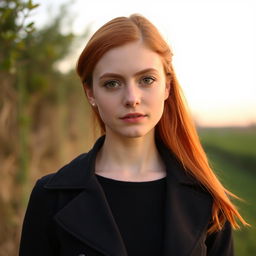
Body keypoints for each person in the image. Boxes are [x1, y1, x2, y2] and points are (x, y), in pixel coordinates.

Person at [19, 14, 248, 256]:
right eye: (112, 83)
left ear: (167, 87)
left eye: (146, 80)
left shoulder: (206, 197)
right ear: (90, 93)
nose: (131, 98)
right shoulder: (51, 196)